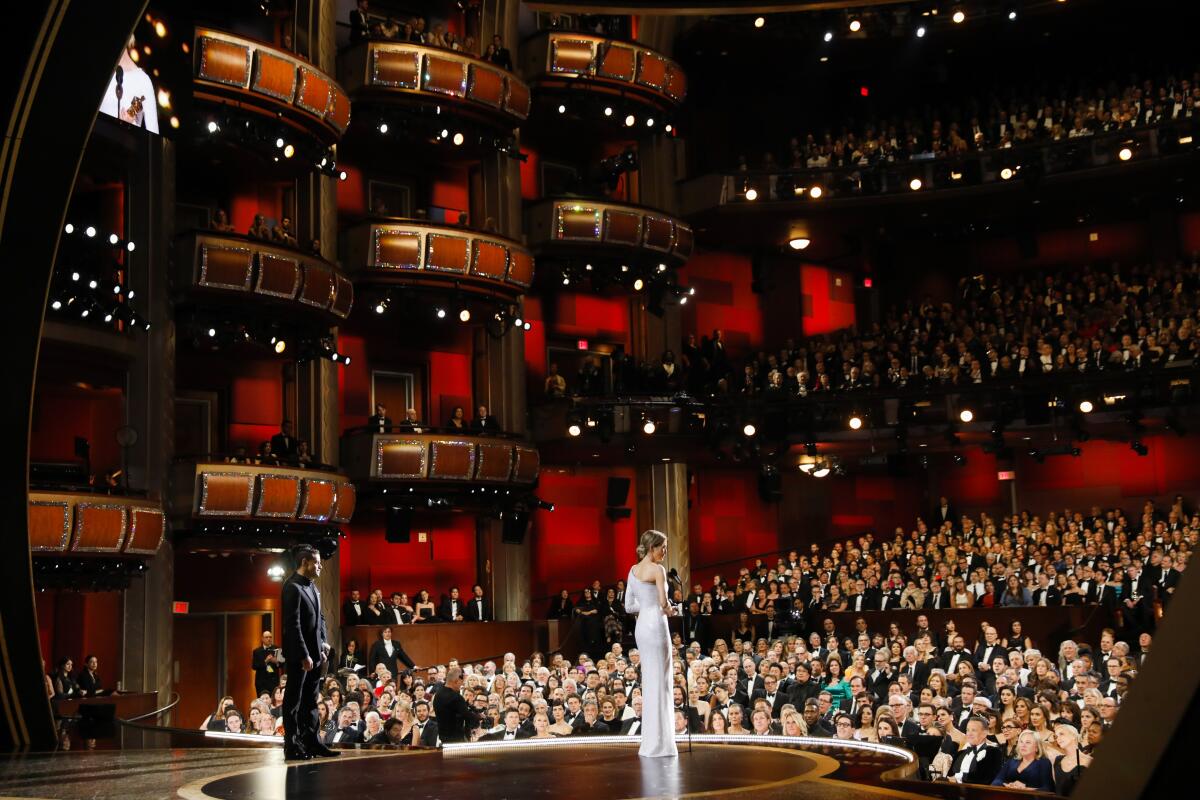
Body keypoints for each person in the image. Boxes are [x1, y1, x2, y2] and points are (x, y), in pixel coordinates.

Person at [280, 546, 336, 760]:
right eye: (317, 562)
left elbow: (320, 618)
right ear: (305, 562)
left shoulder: (312, 586)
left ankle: (312, 742)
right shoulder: (292, 587)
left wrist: (323, 643)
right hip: (299, 655)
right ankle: (292, 745)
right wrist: (304, 655)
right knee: (293, 701)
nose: (321, 565)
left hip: (315, 653)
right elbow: (292, 626)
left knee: (311, 701)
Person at [626, 529, 678, 757]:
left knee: (651, 680)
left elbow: (629, 606)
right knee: (661, 681)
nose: (665, 552)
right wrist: (670, 609)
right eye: (662, 547)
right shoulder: (658, 570)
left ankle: (650, 743)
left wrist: (646, 607)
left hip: (642, 627)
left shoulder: (633, 570)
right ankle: (662, 744)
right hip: (657, 625)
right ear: (651, 548)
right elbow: (664, 604)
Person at [948, 716, 1002, 784]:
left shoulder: (993, 752)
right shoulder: (960, 753)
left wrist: (958, 778)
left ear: (985, 733)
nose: (969, 734)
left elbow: (986, 778)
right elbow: (949, 775)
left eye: (974, 730)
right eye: (967, 730)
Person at [433, 666, 480, 743]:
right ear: (456, 680)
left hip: (443, 740)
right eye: (461, 681)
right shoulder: (456, 697)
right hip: (457, 742)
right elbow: (468, 716)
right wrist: (479, 717)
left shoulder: (437, 695)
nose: (461, 684)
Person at [251, 630, 281, 699]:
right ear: (262, 639)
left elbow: (282, 664)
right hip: (261, 682)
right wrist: (265, 661)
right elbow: (254, 666)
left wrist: (276, 662)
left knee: (273, 700)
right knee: (262, 701)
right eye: (266, 637)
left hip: (274, 681)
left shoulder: (278, 649)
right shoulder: (256, 651)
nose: (269, 639)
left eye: (270, 637)